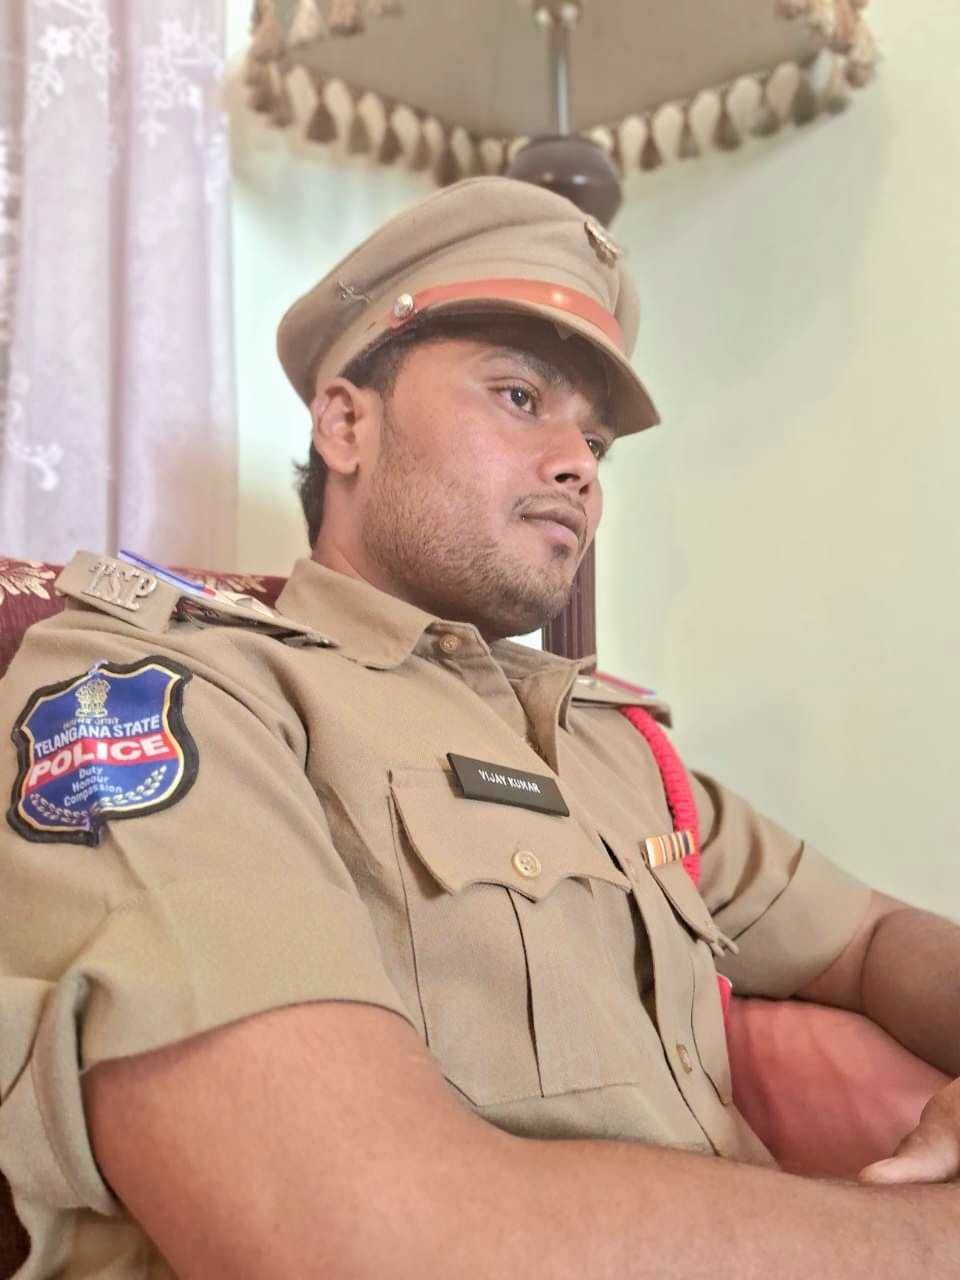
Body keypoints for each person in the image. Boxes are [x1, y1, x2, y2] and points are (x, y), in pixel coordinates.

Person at [0, 176, 957, 1279]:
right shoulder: (169, 690)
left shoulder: (611, 743)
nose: (579, 463)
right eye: (518, 396)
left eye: (595, 439)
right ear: (346, 422)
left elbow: (867, 934)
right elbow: (354, 1239)